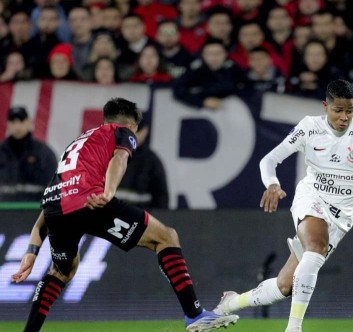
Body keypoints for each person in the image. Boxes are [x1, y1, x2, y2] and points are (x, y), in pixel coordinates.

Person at [11, 98, 238, 332]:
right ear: (133, 127)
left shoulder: (78, 143)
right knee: (166, 237)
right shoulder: (123, 132)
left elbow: (51, 202)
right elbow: (119, 158)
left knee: (61, 271)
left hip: (55, 211)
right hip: (91, 202)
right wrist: (108, 193)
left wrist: (32, 251)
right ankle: (195, 314)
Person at [213, 80, 353, 332]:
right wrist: (272, 183)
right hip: (311, 197)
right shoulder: (309, 127)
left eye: (350, 110)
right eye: (338, 110)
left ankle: (231, 302)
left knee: (285, 286)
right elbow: (269, 160)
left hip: (342, 218)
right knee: (315, 247)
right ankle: (294, 328)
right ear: (326, 106)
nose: (344, 117)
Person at [0, 107, 57, 202]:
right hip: (3, 211)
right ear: (8, 124)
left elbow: (54, 186)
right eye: (13, 122)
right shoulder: (1, 151)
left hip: (34, 210)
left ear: (29, 122)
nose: (17, 126)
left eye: (21, 121)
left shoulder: (43, 153)